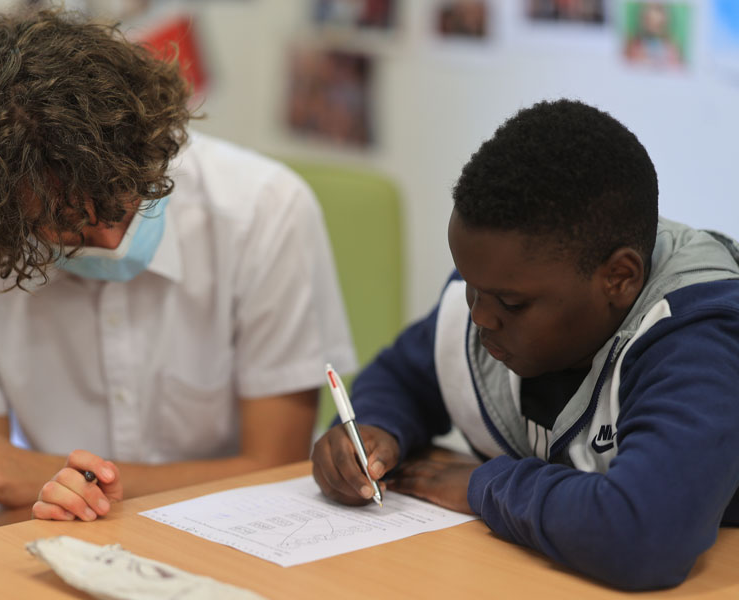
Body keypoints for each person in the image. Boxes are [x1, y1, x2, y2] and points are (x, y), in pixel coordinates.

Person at [0, 8, 356, 532]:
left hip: (238, 537)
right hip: (57, 550)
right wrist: (24, 491)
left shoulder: (264, 210)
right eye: (67, 229)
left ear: (152, 151)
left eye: (121, 203)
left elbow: (276, 471)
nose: (110, 240)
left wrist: (51, 477)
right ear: (5, 216)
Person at [311, 99, 739, 590]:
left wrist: (485, 485)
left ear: (618, 279)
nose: (479, 316)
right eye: (471, 284)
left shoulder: (698, 333)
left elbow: (644, 533)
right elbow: (404, 376)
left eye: (510, 304)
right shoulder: (504, 285)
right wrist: (371, 432)